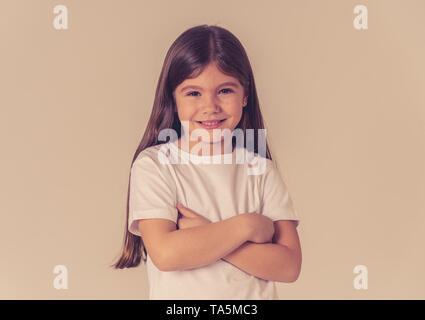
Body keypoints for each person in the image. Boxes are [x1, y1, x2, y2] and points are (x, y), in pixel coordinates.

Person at [111, 24, 302, 300]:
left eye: (225, 91)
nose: (210, 106)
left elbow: (288, 266)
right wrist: (246, 226)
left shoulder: (260, 169)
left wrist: (205, 233)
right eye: (193, 93)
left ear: (245, 95)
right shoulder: (155, 165)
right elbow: (167, 253)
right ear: (173, 99)